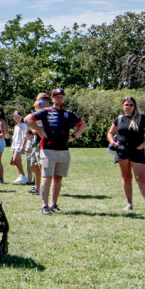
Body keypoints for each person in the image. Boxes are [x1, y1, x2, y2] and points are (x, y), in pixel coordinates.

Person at [24, 87, 86, 215]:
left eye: (62, 96)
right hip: (48, 150)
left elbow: (82, 125)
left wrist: (73, 136)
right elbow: (27, 119)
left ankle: (53, 204)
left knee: (58, 178)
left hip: (64, 150)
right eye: (57, 96)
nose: (60, 98)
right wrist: (40, 131)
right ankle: (44, 205)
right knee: (46, 177)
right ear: (52, 98)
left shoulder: (69, 113)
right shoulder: (46, 111)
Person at [107, 96, 145, 213]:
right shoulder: (119, 119)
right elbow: (110, 132)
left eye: (131, 105)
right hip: (122, 151)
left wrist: (142, 146)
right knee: (126, 178)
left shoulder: (141, 118)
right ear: (123, 106)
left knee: (141, 178)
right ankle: (129, 203)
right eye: (126, 105)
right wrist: (113, 143)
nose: (128, 107)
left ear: (134, 106)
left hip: (137, 152)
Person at [26, 93, 52, 195]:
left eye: (39, 101)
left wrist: (36, 130)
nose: (37, 103)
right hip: (35, 142)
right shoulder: (39, 112)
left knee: (42, 165)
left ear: (45, 101)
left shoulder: (49, 113)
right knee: (33, 164)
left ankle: (43, 189)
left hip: (44, 142)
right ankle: (37, 188)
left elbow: (44, 128)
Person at [9, 110, 30, 184]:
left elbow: (25, 136)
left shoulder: (23, 125)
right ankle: (21, 175)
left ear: (22, 117)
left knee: (15, 159)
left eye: (18, 117)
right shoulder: (16, 126)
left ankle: (23, 175)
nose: (17, 119)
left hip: (20, 145)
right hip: (15, 145)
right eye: (15, 118)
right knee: (18, 160)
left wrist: (23, 145)